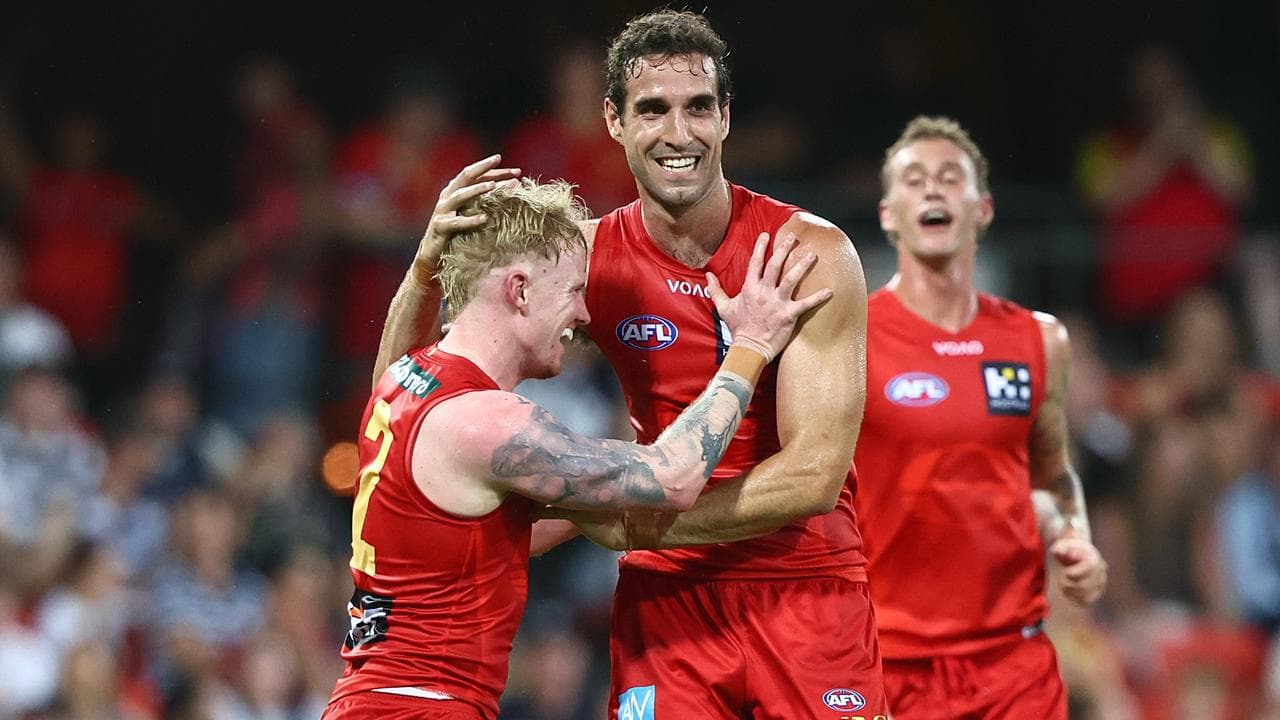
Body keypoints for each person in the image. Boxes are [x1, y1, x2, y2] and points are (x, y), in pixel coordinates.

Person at [373, 10, 882, 719]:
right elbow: (407, 403)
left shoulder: (806, 254)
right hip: (666, 606)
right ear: (613, 120)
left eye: (698, 107)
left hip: (805, 592)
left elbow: (814, 476)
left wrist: (635, 525)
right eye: (652, 110)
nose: (678, 133)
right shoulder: (587, 260)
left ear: (726, 117)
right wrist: (425, 269)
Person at [324, 175, 829, 720]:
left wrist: (426, 268)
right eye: (571, 291)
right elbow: (675, 477)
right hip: (422, 708)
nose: (584, 315)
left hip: (373, 699)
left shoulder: (404, 380)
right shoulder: (488, 425)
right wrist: (750, 344)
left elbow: (516, 528)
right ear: (519, 290)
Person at [852, 115, 1109, 719]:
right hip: (888, 660)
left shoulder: (1039, 340)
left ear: (983, 208)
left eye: (950, 178)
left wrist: (1074, 536)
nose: (933, 190)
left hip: (1014, 666)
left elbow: (1051, 477)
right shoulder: (851, 338)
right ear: (889, 214)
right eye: (915, 180)